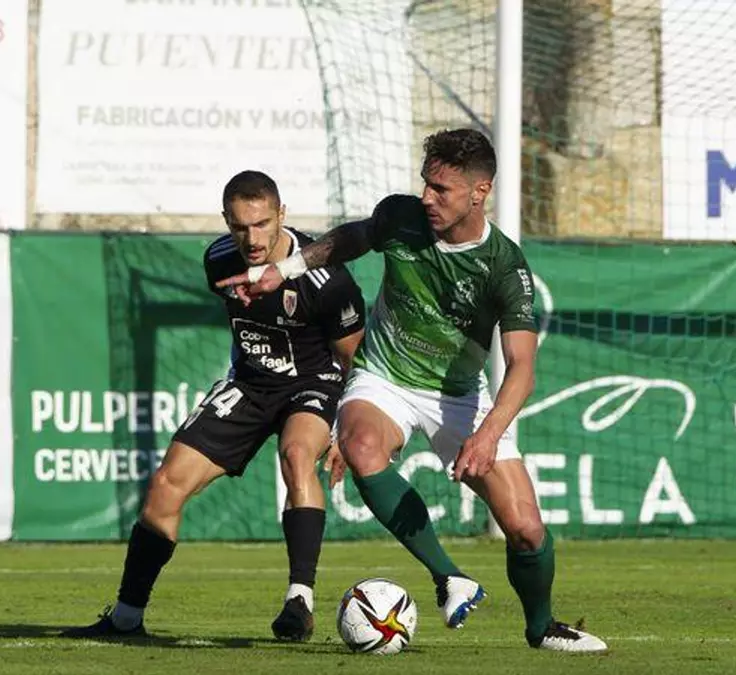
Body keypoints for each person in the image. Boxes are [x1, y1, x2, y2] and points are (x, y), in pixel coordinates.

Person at [217, 128, 608, 653]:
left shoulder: (504, 266)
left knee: (527, 530)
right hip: (383, 377)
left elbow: (521, 368)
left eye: (441, 189)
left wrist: (488, 434)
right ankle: (450, 578)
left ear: (480, 192)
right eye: (425, 183)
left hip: (458, 395)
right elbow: (352, 239)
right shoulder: (402, 217)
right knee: (361, 446)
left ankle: (542, 627)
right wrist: (283, 270)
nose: (426, 197)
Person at [63, 170, 367, 640]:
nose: (252, 238)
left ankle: (299, 602)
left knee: (296, 453)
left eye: (262, 224)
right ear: (226, 220)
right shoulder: (218, 260)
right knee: (166, 485)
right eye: (240, 226)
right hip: (250, 384)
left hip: (314, 382)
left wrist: (346, 425)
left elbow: (352, 359)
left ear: (282, 215)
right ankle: (125, 617)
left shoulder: (327, 280)